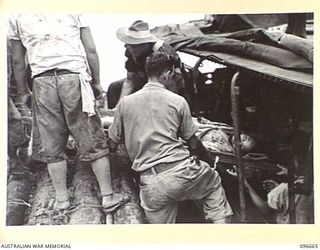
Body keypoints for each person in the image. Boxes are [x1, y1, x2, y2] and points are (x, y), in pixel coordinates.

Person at [8, 14, 126, 211]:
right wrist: (96, 82)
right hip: (73, 77)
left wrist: (23, 92)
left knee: (51, 143)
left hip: (41, 81)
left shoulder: (18, 15)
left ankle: (62, 200)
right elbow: (91, 50)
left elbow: (18, 61)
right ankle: (108, 196)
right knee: (91, 138)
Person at [109, 51, 233, 223]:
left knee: (162, 235)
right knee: (212, 183)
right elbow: (194, 143)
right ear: (167, 74)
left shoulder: (125, 103)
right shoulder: (178, 101)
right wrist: (210, 162)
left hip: (150, 182)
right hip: (182, 171)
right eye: (173, 74)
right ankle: (223, 230)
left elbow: (112, 144)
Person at [107, 20, 186, 108]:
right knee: (114, 87)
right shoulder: (130, 49)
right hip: (144, 78)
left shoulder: (162, 52)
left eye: (134, 45)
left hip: (167, 82)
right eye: (128, 44)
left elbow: (169, 84)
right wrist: (119, 106)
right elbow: (130, 81)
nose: (130, 49)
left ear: (144, 43)